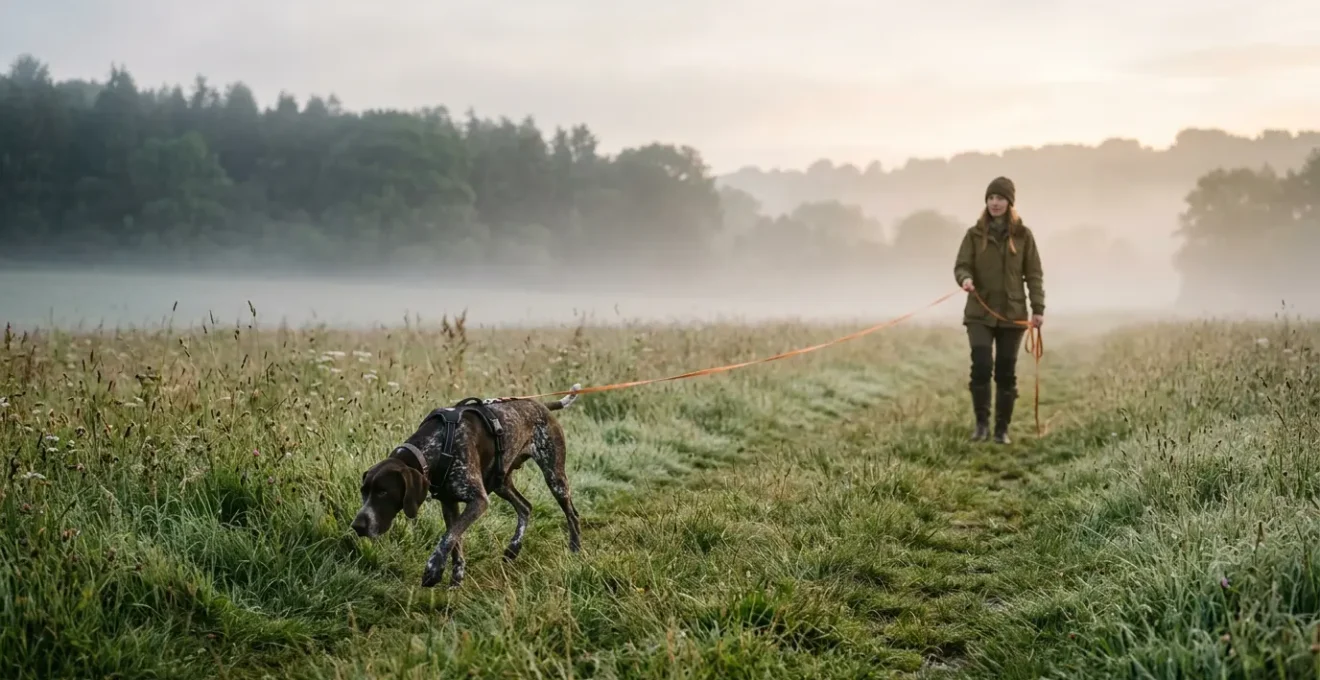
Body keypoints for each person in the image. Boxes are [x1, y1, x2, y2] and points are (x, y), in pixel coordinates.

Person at [953, 176, 1045, 444]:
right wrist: (965, 279)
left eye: (1000, 198)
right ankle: (981, 425)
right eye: (991, 198)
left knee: (1006, 371)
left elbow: (1034, 274)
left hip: (1012, 314)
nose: (995, 203)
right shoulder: (974, 235)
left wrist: (1037, 308)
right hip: (979, 314)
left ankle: (1001, 430)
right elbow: (961, 265)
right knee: (981, 366)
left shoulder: (1024, 236)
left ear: (1009, 202)